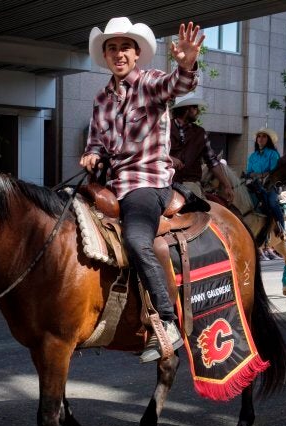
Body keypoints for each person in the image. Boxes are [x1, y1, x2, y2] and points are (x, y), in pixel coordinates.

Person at [80, 17, 204, 363]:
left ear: (137, 55)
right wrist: (92, 154)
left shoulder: (150, 84)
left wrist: (188, 62)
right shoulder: (101, 98)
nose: (118, 53)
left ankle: (167, 320)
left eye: (125, 47)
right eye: (112, 48)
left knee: (136, 239)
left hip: (146, 184)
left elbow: (177, 85)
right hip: (111, 185)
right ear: (105, 55)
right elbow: (96, 143)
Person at [169, 93, 234, 203]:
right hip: (165, 182)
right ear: (186, 109)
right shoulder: (164, 128)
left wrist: (227, 185)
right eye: (195, 107)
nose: (198, 111)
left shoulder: (200, 133)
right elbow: (151, 151)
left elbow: (213, 162)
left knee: (201, 212)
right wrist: (169, 158)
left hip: (190, 184)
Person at [244, 127, 285, 238]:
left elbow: (273, 172)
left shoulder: (273, 154)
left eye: (264, 136)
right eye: (259, 136)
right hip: (256, 185)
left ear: (268, 140)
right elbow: (249, 172)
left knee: (271, 202)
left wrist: (258, 175)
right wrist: (255, 175)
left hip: (271, 185)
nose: (261, 138)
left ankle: (281, 227)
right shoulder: (253, 156)